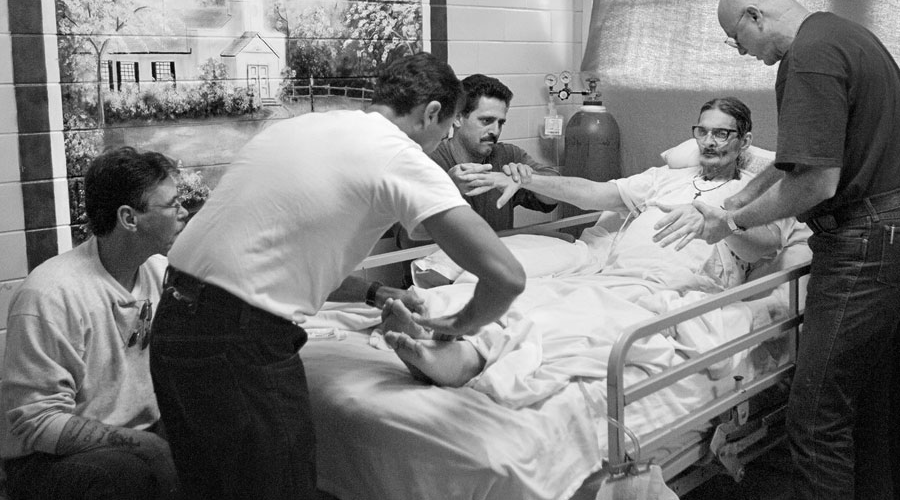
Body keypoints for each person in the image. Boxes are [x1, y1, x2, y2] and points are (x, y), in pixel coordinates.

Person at [148, 52, 526, 499]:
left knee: (207, 488)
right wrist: (457, 325)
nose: (436, 144)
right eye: (443, 131)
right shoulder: (399, 155)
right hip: (238, 342)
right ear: (432, 114)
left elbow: (276, 252)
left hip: (173, 326)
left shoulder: (295, 128)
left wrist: (373, 290)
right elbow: (507, 276)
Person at [657, 0, 900, 500]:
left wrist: (733, 223)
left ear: (754, 17)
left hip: (861, 239)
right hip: (887, 229)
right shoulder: (844, 35)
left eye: (736, 38)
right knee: (874, 406)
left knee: (814, 420)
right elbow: (795, 160)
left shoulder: (807, 58)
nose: (741, 51)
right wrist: (733, 200)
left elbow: (815, 181)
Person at [383, 97, 794, 387]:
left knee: (571, 325)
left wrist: (727, 223)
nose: (709, 142)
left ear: (744, 140)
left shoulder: (756, 193)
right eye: (702, 132)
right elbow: (592, 192)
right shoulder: (665, 178)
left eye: (722, 134)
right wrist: (523, 179)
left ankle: (462, 361)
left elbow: (768, 245)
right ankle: (433, 327)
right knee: (528, 299)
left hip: (669, 292)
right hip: (612, 276)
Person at [0, 147, 186, 500]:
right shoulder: (50, 294)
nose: (183, 212)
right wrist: (148, 445)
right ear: (129, 218)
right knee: (126, 475)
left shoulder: (159, 273)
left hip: (136, 436)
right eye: (171, 205)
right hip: (45, 461)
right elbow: (38, 424)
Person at [430, 73, 559, 231]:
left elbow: (555, 196)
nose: (495, 131)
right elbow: (407, 239)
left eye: (501, 123)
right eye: (486, 121)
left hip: (494, 254)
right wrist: (449, 191)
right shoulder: (428, 162)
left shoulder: (508, 156)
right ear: (457, 118)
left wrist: (530, 179)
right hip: (442, 255)